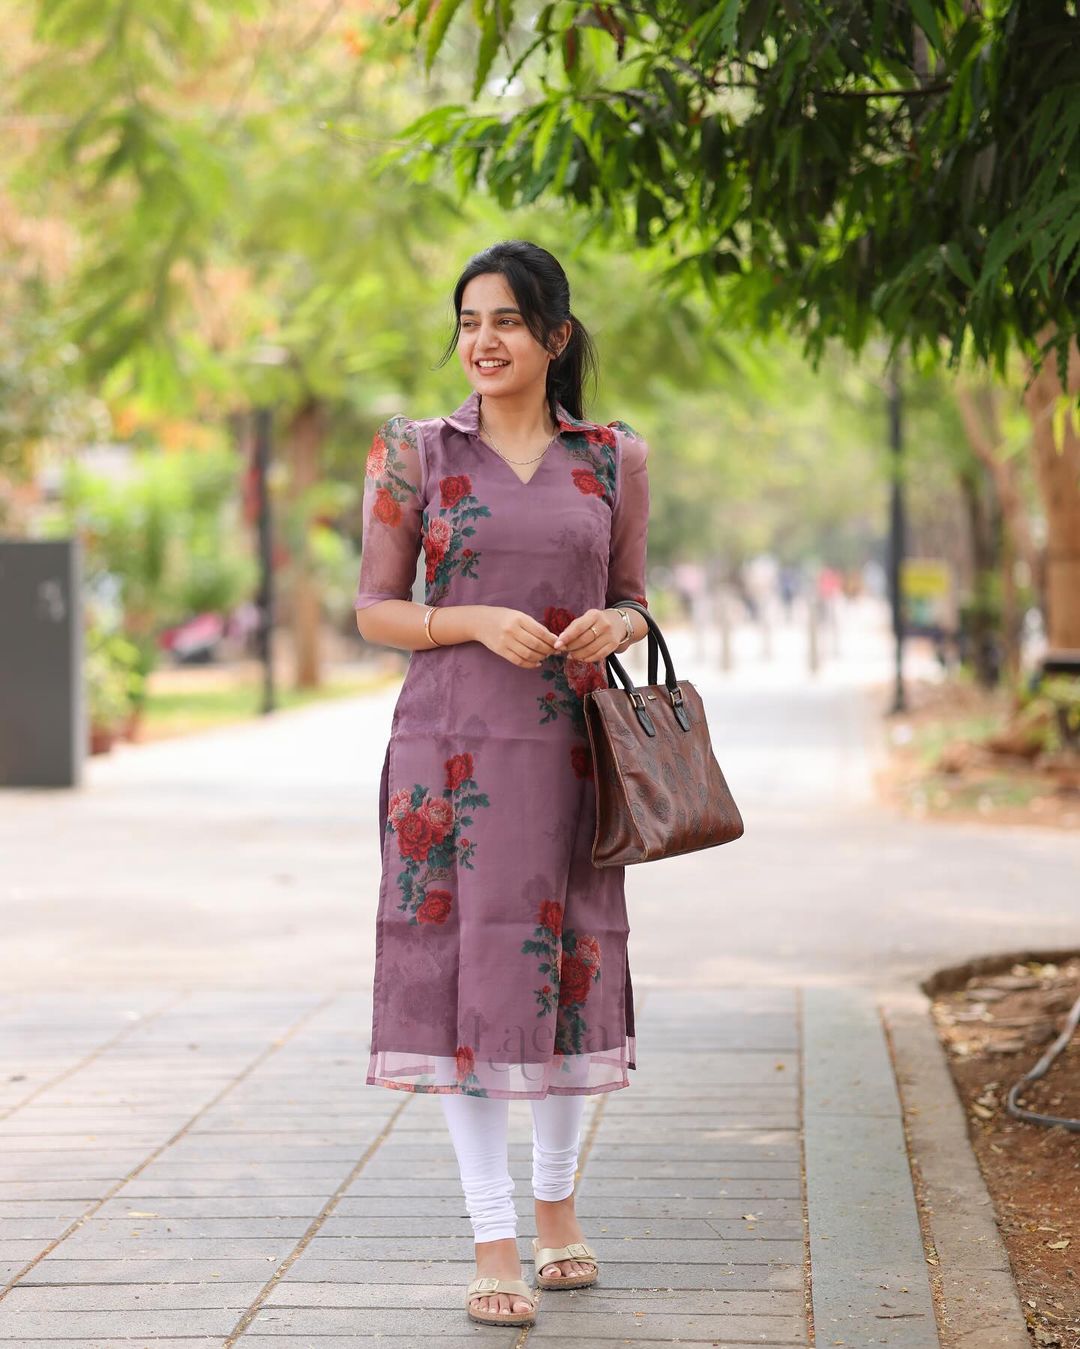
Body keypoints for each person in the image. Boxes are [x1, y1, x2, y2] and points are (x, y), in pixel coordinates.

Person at [352, 240, 651, 1328]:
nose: (484, 340)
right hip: (453, 758)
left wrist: (621, 621)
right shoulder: (414, 452)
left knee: (570, 961)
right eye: (470, 319)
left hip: (572, 750)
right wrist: (471, 616)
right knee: (469, 981)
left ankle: (559, 1210)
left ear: (555, 337)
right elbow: (376, 609)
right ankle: (493, 1238)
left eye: (509, 321)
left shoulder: (614, 458)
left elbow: (634, 596)